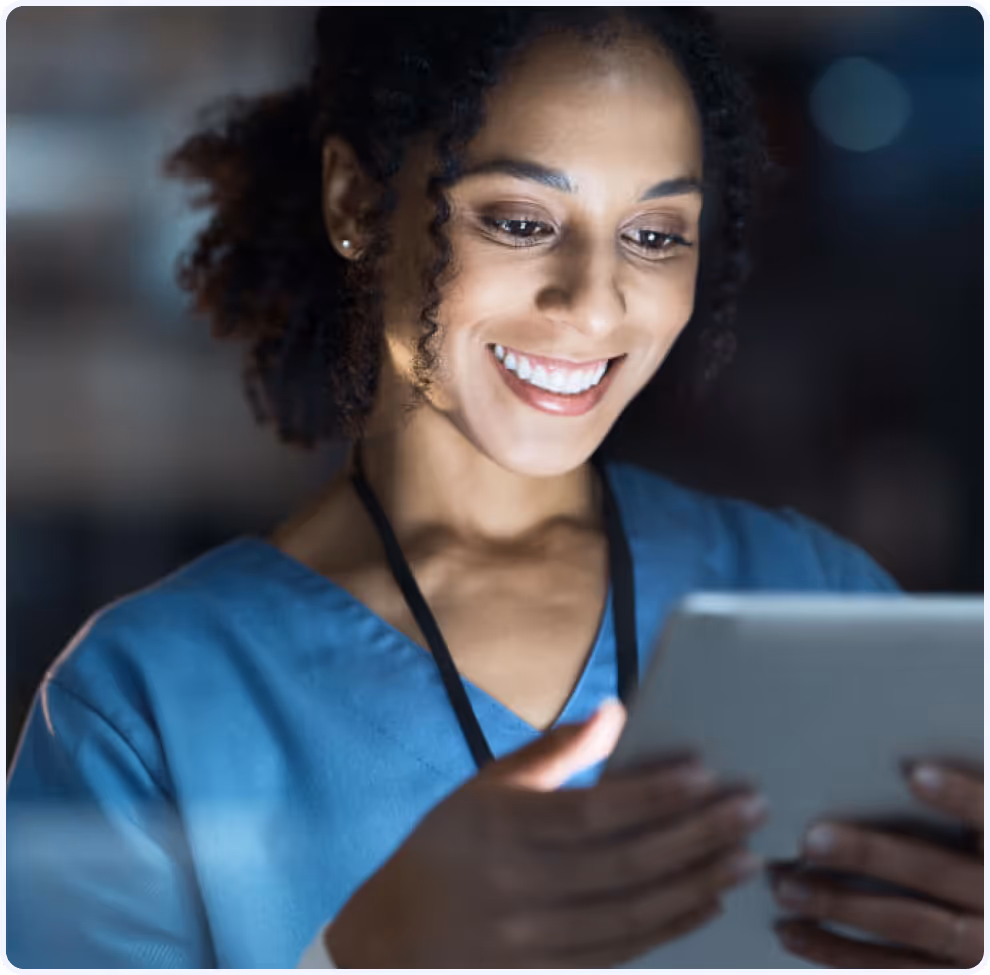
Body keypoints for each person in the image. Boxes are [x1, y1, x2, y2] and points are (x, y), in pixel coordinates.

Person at [6, 8, 983, 970]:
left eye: (654, 234)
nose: (594, 300)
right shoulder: (144, 709)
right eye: (521, 220)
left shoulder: (811, 594)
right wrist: (365, 955)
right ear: (354, 204)